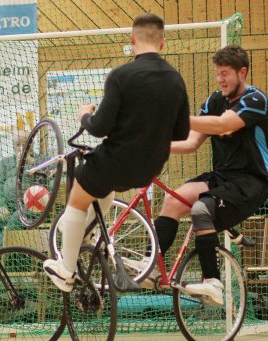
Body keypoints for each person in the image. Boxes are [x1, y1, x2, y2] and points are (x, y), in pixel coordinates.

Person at [43, 13, 190, 292]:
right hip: (149, 168)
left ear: (132, 40)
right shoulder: (175, 79)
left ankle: (66, 270)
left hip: (116, 161)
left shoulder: (121, 76)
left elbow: (99, 129)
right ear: (163, 43)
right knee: (101, 189)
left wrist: (85, 115)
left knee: (78, 195)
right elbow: (181, 133)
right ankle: (84, 231)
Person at [132, 45, 268, 306]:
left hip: (253, 180)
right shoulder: (214, 101)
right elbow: (191, 144)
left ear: (242, 72)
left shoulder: (255, 100)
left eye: (225, 74)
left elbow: (223, 124)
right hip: (222, 177)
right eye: (217, 74)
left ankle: (213, 282)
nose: (220, 79)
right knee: (173, 201)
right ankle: (153, 266)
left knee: (201, 209)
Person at [0, 129, 29, 232]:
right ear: (13, 146)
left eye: (25, 144)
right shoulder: (5, 163)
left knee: (17, 218)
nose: (21, 148)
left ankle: (3, 246)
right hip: (8, 206)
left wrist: (28, 164)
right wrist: (1, 205)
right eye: (18, 145)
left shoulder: (40, 160)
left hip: (30, 206)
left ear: (31, 144)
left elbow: (46, 181)